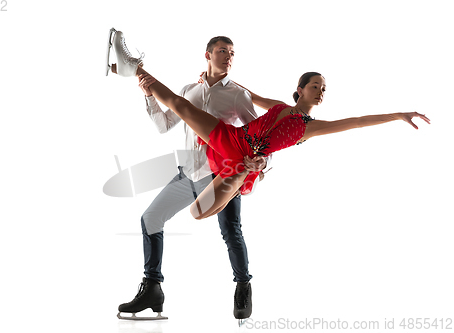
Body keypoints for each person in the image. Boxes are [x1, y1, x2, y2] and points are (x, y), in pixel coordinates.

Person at [110, 29, 430, 223]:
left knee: (199, 211)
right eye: (315, 86)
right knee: (182, 104)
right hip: (231, 136)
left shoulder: (309, 127)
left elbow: (356, 122)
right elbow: (246, 92)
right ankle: (132, 66)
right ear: (300, 89)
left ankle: (233, 187)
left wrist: (399, 115)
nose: (320, 92)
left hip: (242, 162)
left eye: (323, 89)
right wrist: (209, 79)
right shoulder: (278, 106)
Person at [106, 28, 284, 321]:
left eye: (232, 53)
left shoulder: (238, 95)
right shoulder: (190, 90)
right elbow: (164, 125)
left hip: (220, 176)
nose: (228, 57)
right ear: (208, 55)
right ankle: (152, 288)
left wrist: (262, 163)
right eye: (223, 51)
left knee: (231, 233)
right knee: (150, 218)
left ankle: (243, 286)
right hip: (188, 174)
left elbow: (262, 136)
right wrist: (150, 98)